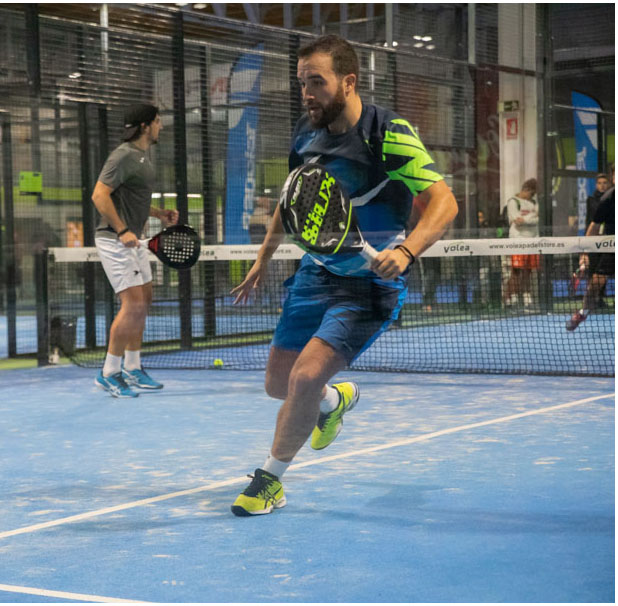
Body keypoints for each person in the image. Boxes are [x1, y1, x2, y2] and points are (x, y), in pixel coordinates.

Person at [228, 35, 458, 516]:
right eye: (302, 83)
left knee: (305, 375)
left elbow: (443, 201)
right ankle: (333, 402)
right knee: (279, 384)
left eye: (317, 82)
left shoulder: (386, 132)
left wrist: (407, 251)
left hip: (370, 285)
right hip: (316, 272)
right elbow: (295, 198)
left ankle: (270, 480)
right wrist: (263, 259)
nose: (307, 94)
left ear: (348, 82)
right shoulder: (304, 133)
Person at [91, 103, 179, 397]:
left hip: (134, 241)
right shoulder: (123, 155)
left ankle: (132, 367)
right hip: (115, 240)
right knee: (132, 305)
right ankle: (109, 372)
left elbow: (130, 199)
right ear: (145, 126)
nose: (160, 126)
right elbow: (99, 195)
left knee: (144, 301)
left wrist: (158, 214)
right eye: (157, 121)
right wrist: (122, 230)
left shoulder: (141, 158)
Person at [567, 174, 614, 331]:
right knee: (595, 284)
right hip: (612, 248)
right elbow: (594, 226)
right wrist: (585, 254)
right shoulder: (608, 199)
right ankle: (583, 312)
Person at [502, 178, 539, 307]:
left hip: (532, 242)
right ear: (526, 189)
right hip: (517, 241)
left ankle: (526, 298)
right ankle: (511, 298)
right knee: (516, 271)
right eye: (531, 193)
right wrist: (531, 217)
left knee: (528, 271)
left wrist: (526, 219)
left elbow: (537, 219)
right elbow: (516, 221)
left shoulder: (534, 202)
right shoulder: (513, 202)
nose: (532, 196)